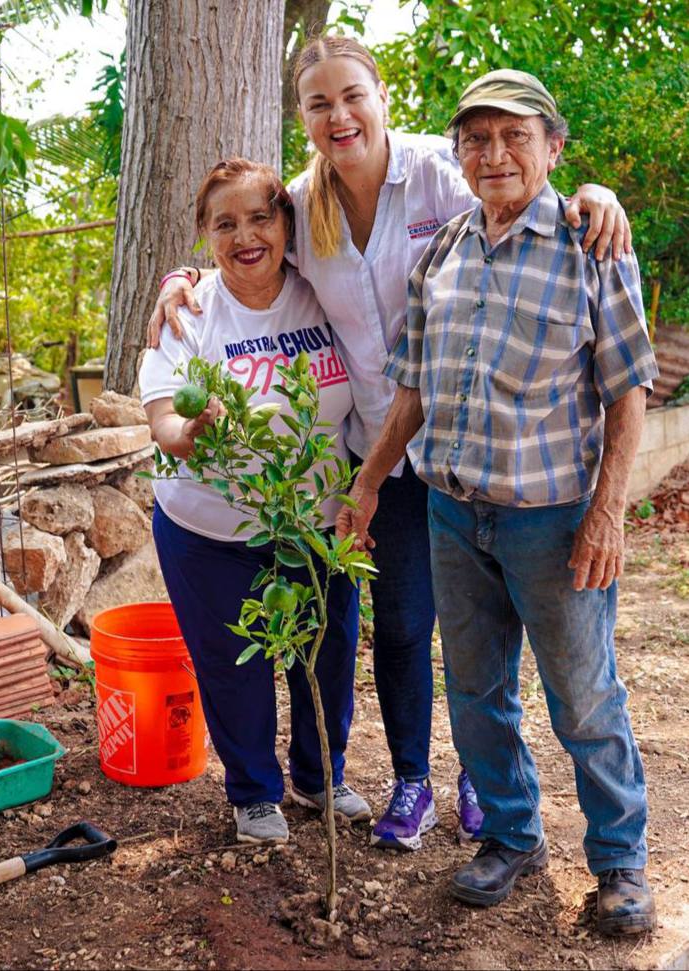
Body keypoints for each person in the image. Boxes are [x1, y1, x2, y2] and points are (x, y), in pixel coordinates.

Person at [147, 35, 632, 852]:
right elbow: (241, 254)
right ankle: (414, 778)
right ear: (302, 117)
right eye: (318, 103)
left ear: (379, 96)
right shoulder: (303, 207)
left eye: (352, 96)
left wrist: (594, 191)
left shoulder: (440, 174)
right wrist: (179, 281)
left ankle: (490, 787)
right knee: (407, 626)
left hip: (478, 450)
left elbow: (518, 181)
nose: (339, 116)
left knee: (500, 629)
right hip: (383, 452)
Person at [338, 69, 657, 935]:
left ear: (553, 148)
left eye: (516, 135)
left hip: (553, 519)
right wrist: (368, 483)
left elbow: (628, 391)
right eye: (477, 138)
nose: (496, 153)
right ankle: (512, 836)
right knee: (476, 689)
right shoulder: (443, 252)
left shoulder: (592, 245)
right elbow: (410, 390)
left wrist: (608, 511)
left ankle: (620, 862)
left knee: (584, 699)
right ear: (459, 156)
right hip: (451, 511)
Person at [139, 157, 367, 845]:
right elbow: (161, 424)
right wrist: (193, 431)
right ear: (205, 236)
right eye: (225, 224)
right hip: (206, 528)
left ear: (285, 223)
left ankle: (320, 775)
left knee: (327, 654)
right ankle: (254, 791)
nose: (246, 236)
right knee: (231, 660)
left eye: (260, 217)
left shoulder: (321, 290)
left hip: (316, 523)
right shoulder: (190, 312)